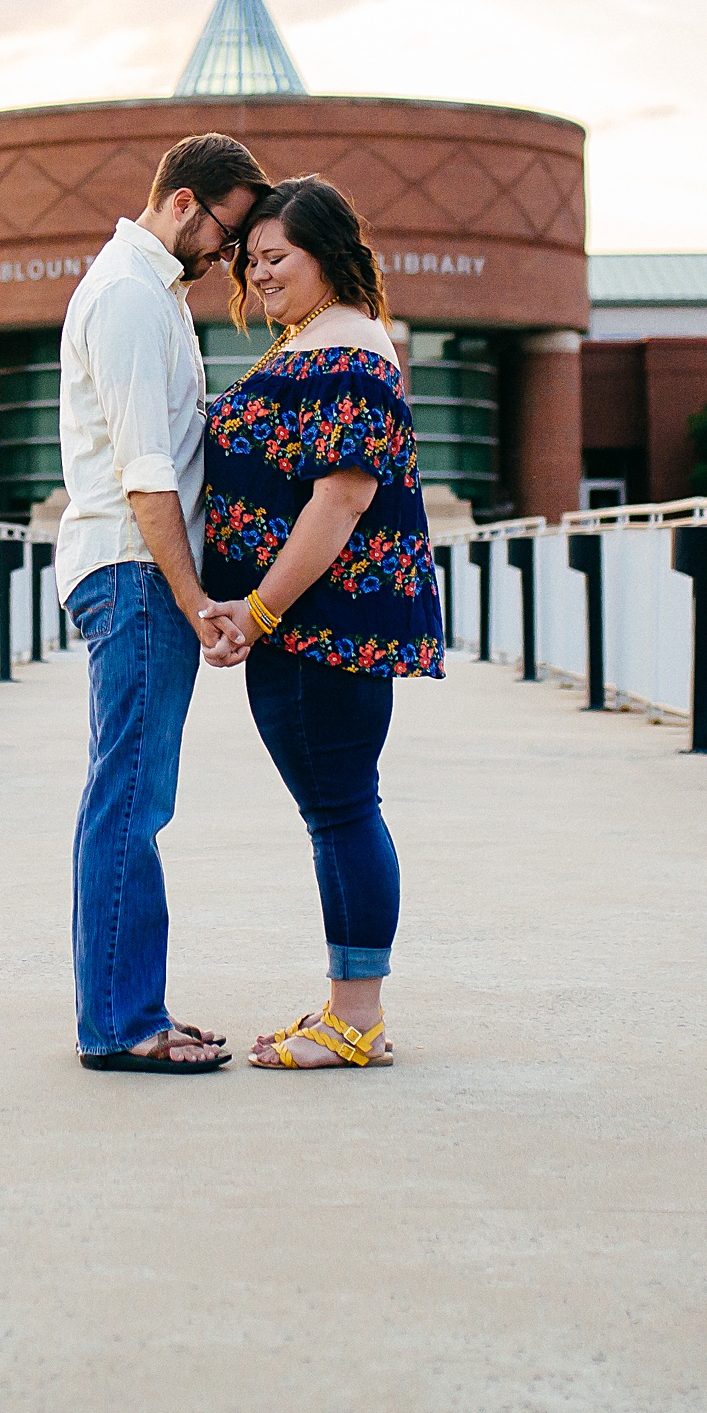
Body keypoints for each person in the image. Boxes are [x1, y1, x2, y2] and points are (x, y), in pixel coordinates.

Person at [197, 175, 443, 1069]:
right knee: (336, 811)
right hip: (302, 628)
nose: (259, 274)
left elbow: (338, 503)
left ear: (328, 256)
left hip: (317, 629)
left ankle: (357, 1020)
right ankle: (349, 1004)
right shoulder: (322, 342)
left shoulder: (347, 352)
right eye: (251, 259)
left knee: (341, 812)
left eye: (277, 257)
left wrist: (257, 610)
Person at [57, 132, 271, 1072]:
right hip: (135, 574)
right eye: (226, 235)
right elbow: (149, 476)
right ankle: (120, 1023)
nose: (229, 258)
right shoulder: (132, 297)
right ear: (182, 203)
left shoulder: (150, 295)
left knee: (134, 795)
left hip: (136, 574)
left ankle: (133, 1006)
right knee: (130, 799)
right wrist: (193, 601)